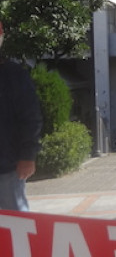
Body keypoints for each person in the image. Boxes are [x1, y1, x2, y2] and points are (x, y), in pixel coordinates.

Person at [0, 20, 43, 211]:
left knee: (15, 222)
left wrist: (28, 155)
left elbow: (30, 117)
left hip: (7, 168)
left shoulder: (14, 75)